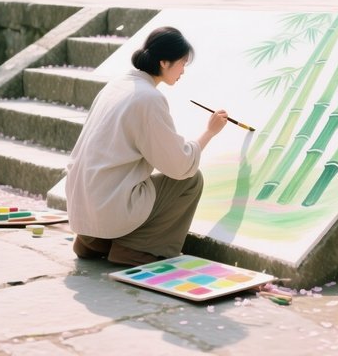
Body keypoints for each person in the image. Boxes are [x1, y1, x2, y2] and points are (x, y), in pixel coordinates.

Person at [65, 26, 228, 266]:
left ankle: (94, 241)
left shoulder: (118, 84)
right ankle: (138, 249)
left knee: (135, 179)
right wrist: (209, 132)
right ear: (164, 62)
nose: (183, 70)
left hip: (83, 207)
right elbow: (180, 166)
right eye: (182, 63)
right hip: (109, 207)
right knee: (190, 180)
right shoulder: (148, 98)